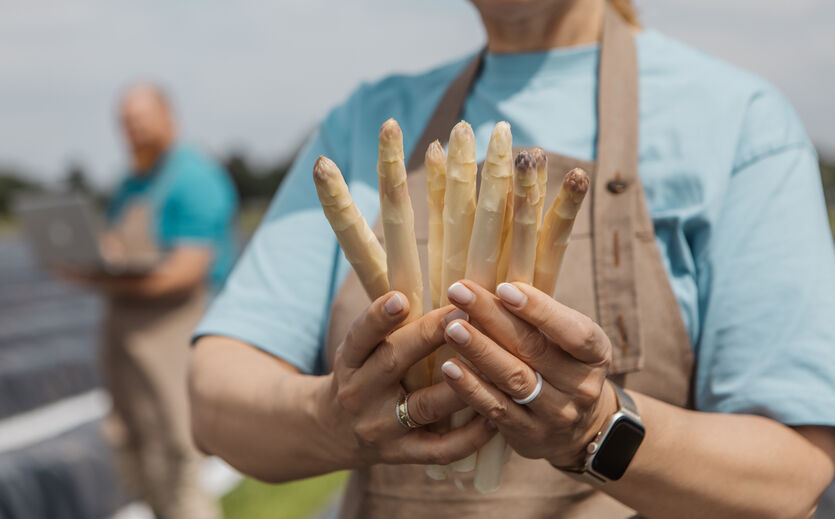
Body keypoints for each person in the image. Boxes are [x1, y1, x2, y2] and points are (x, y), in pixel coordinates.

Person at [188, 1, 835, 517]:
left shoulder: (736, 122)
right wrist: (334, 419)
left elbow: (791, 475)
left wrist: (595, 428)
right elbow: (213, 396)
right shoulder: (363, 125)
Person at [64, 84, 236, 518]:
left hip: (173, 323)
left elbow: (183, 273)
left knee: (176, 447)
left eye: (141, 118)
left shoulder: (194, 177)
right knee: (131, 438)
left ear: (168, 117)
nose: (133, 129)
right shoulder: (132, 181)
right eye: (125, 121)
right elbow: (117, 242)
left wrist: (100, 280)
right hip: (127, 324)